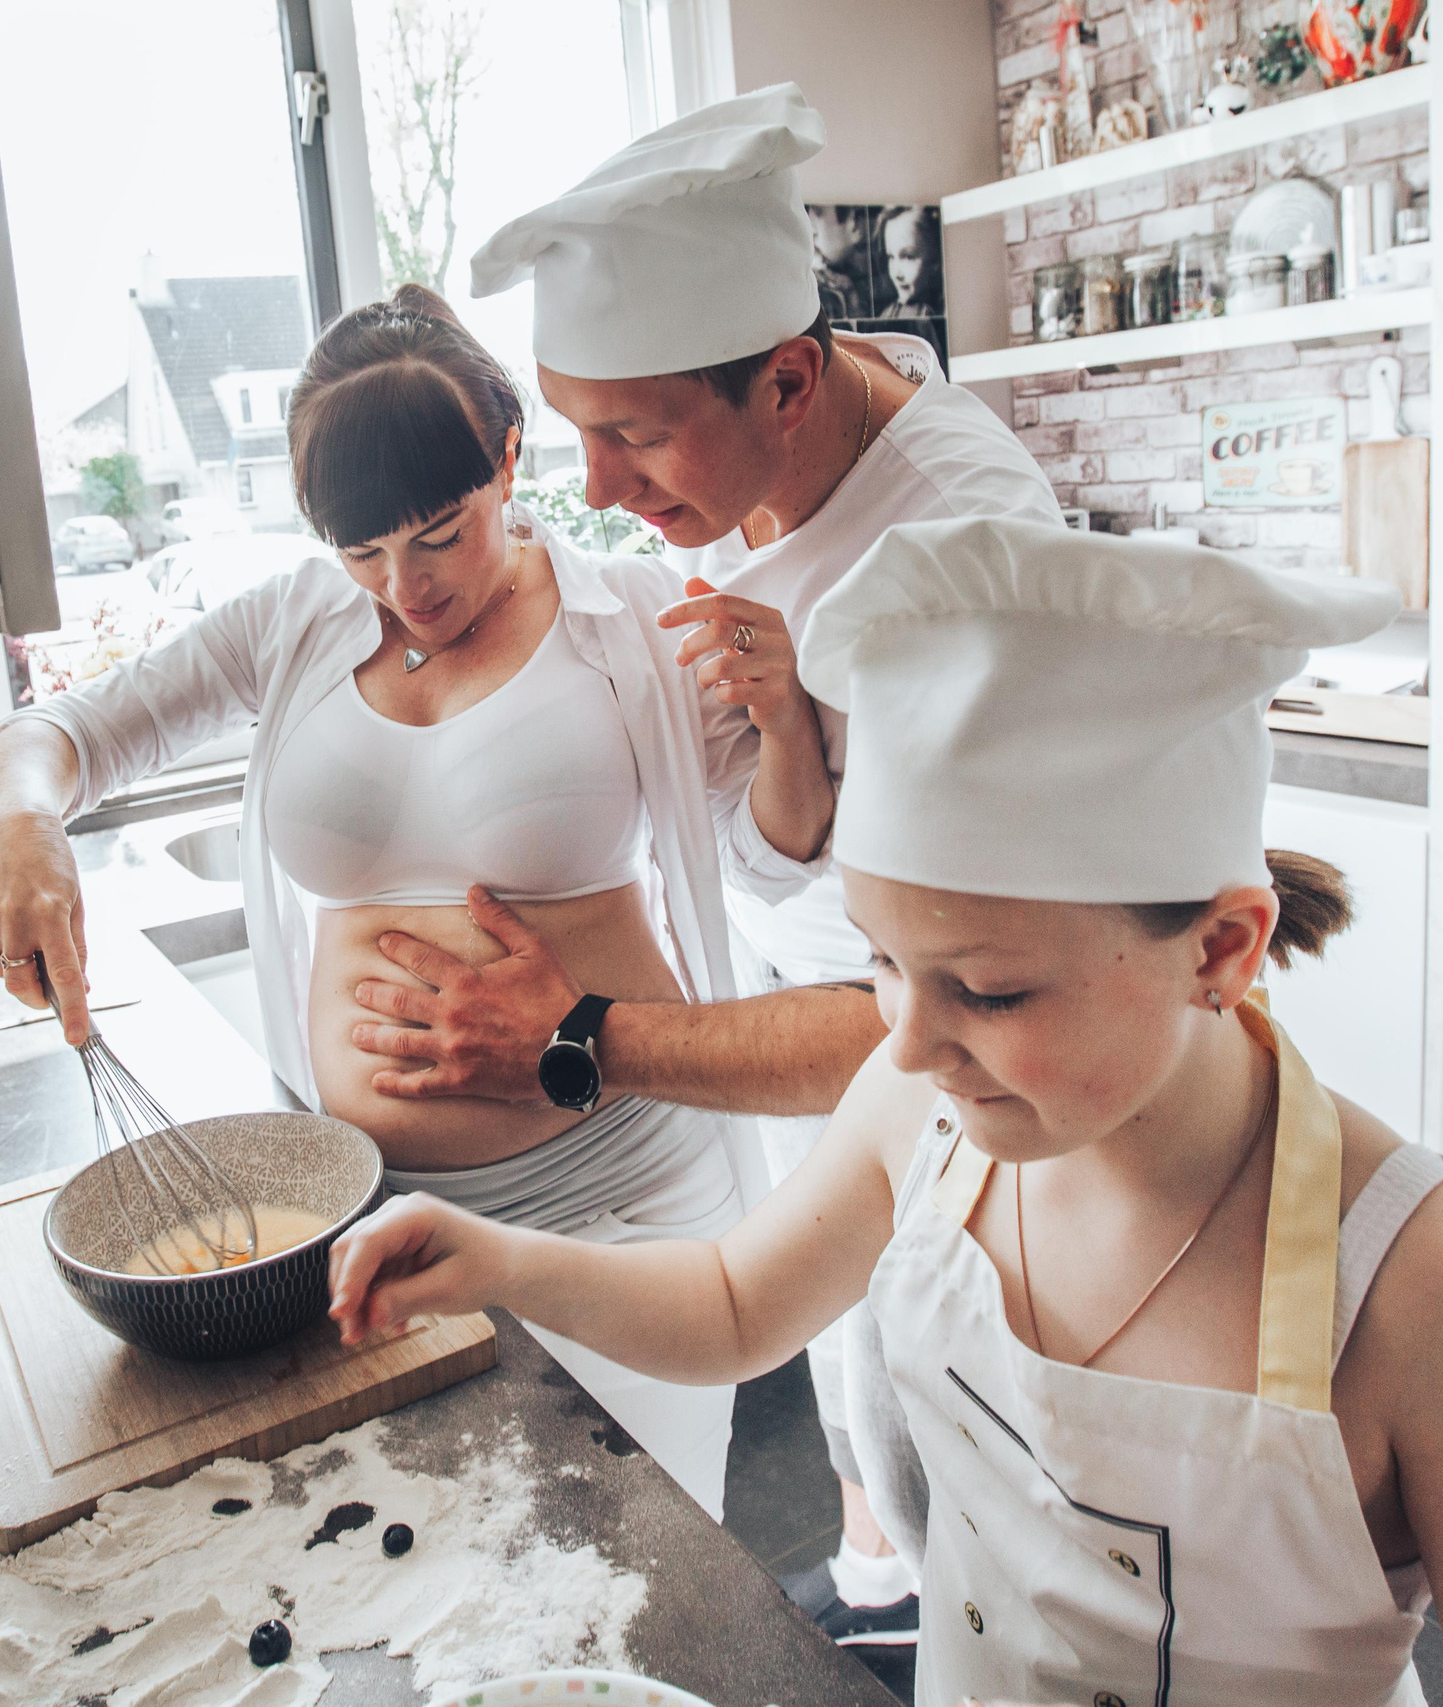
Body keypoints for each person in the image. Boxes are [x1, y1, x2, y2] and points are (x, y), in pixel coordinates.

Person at [327, 517, 1443, 1707]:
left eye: (988, 988)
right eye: (880, 961)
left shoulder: (1432, 1292)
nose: (907, 1040)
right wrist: (502, 1264)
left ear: (1220, 948)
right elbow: (740, 1303)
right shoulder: (921, 1104)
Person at [346, 83, 1064, 1645]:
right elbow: (771, 849)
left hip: (972, 1147)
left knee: (1006, 1548)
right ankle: (878, 1584)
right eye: (574, 426)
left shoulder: (965, 567)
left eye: (631, 434)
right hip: (826, 1105)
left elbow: (963, 1027)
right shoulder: (739, 485)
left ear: (793, 379)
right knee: (878, 1461)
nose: (595, 489)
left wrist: (579, 1033)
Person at [0, 285, 835, 1517]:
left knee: (620, 1558)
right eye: (362, 550)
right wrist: (23, 828)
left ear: (508, 459)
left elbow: (771, 862)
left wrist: (786, 722)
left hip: (623, 1204)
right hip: (369, 1220)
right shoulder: (296, 623)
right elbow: (52, 736)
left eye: (439, 533)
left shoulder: (632, 619)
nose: (404, 586)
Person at [876, 205, 942, 320]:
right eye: (891, 257)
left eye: (908, 257)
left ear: (935, 259)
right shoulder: (889, 315)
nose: (896, 274)